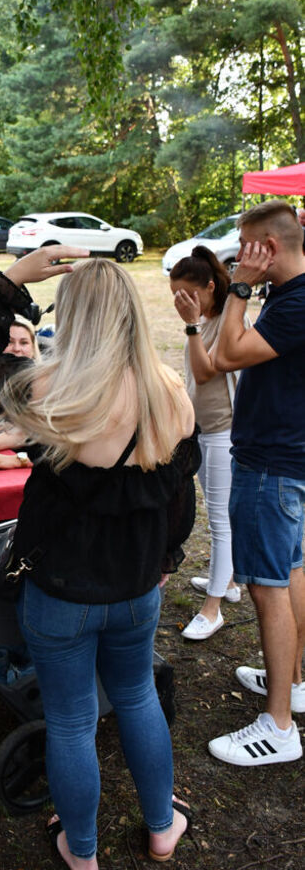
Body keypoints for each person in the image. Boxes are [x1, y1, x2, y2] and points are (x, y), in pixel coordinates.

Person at [0, 247, 199, 868]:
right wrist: (166, 556)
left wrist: (17, 278)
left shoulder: (51, 388)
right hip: (137, 585)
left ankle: (81, 851)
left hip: (60, 591)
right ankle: (161, 827)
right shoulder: (170, 393)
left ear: (76, 318)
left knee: (71, 720)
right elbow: (177, 498)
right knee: (135, 697)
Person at [208, 200, 305, 766]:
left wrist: (239, 290)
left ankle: (279, 727)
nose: (238, 257)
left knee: (269, 586)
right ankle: (289, 683)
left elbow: (226, 355)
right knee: (290, 571)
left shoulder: (296, 301)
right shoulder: (291, 297)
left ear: (266, 248)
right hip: (286, 459)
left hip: (272, 464)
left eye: (246, 246)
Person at [169, 245, 243, 640]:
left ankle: (213, 608)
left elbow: (206, 370)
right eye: (176, 297)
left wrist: (192, 324)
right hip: (203, 431)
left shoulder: (226, 320)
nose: (182, 303)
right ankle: (228, 583)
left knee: (220, 522)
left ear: (210, 287)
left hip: (224, 432)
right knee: (219, 516)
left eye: (187, 295)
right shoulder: (206, 319)